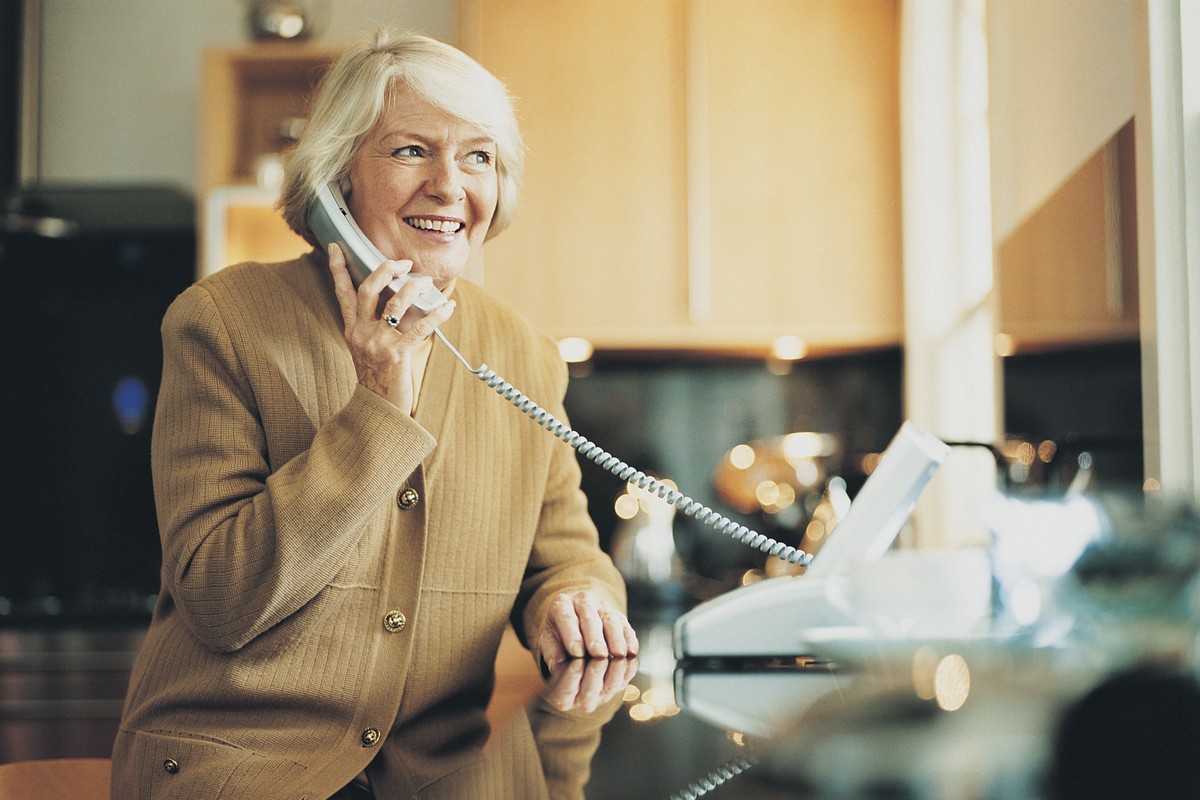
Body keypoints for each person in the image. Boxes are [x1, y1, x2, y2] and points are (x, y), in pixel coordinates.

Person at [112, 28, 638, 799]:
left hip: (443, 779)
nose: (449, 187)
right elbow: (223, 599)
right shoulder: (224, 320)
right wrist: (379, 406)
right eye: (411, 151)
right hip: (242, 771)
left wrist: (574, 599)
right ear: (336, 179)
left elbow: (565, 558)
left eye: (478, 157)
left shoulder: (522, 354)